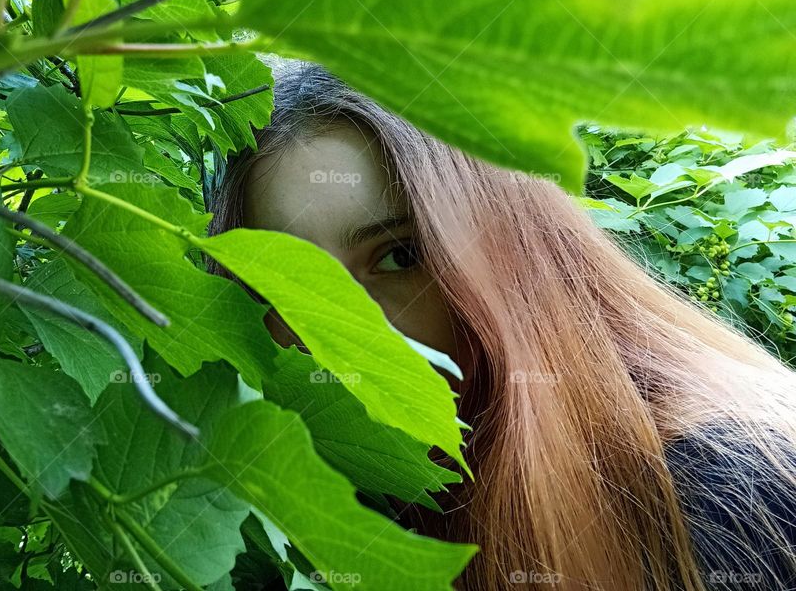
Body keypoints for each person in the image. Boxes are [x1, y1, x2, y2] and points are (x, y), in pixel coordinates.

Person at [207, 58, 796, 591]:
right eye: (279, 281)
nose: (336, 328)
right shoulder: (333, 500)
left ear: (517, 255)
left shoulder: (718, 487)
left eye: (400, 256)